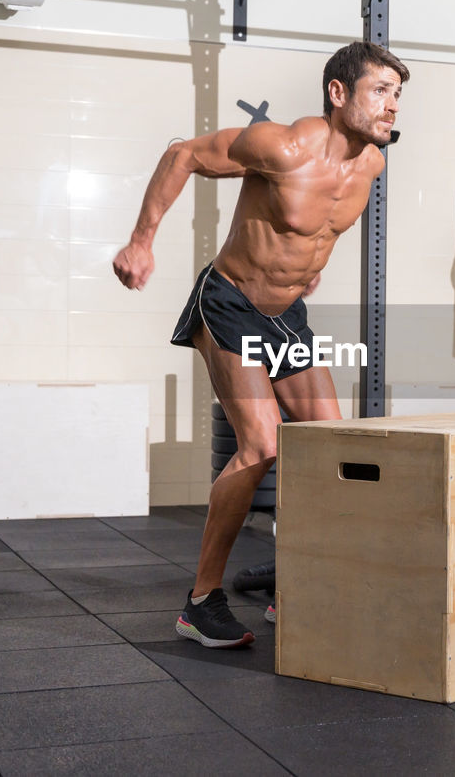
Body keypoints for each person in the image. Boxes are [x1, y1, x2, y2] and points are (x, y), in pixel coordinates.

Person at [113, 41, 408, 648]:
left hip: (286, 316)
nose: (392, 105)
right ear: (337, 92)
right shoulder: (284, 146)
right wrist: (141, 242)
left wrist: (307, 267)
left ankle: (291, 580)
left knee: (331, 442)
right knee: (262, 446)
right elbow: (183, 154)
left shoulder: (372, 164)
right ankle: (201, 600)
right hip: (229, 303)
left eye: (398, 94)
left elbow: (315, 226)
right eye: (380, 90)